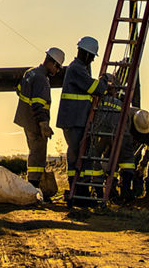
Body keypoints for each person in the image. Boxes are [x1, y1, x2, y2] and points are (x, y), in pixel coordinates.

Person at [56, 36, 115, 188]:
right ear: (87, 54)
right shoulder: (76, 69)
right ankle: (76, 187)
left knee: (83, 152)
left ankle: (81, 186)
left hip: (78, 118)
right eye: (92, 57)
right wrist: (105, 79)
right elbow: (96, 88)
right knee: (76, 153)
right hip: (73, 119)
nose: (93, 61)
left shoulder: (82, 68)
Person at [13, 47, 65, 193]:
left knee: (33, 152)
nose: (58, 71)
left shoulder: (30, 72)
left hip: (25, 119)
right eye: (58, 68)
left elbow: (18, 90)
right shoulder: (42, 79)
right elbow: (38, 104)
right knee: (38, 154)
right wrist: (43, 125)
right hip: (35, 122)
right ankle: (34, 188)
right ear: (52, 63)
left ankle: (33, 186)